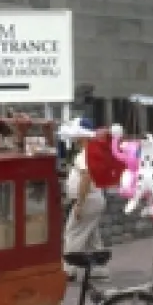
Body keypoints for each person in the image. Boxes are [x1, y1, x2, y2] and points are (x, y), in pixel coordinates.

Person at [62, 119, 124, 280]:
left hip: (88, 199)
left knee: (73, 233)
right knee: (91, 235)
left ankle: (69, 269)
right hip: (95, 199)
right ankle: (99, 269)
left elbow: (86, 177)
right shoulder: (92, 151)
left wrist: (80, 203)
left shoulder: (86, 153)